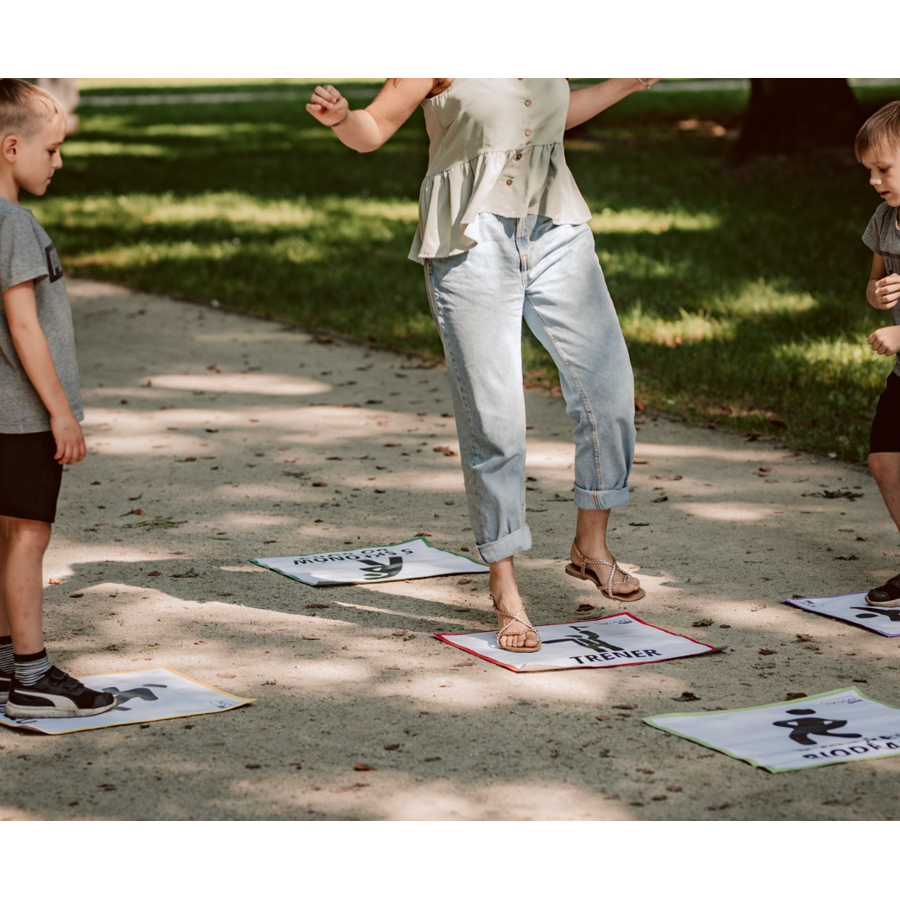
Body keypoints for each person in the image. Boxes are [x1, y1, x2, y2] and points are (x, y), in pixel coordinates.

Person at [306, 78, 656, 651]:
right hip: (472, 244)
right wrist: (344, 117)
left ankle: (590, 547)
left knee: (609, 392)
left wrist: (630, 82)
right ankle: (505, 586)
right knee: (495, 424)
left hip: (557, 231)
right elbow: (372, 130)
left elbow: (553, 115)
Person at [0, 79, 115, 716]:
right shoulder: (13, 223)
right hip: (21, 414)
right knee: (29, 538)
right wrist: (60, 412)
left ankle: (4, 655)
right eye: (52, 150)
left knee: (8, 531)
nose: (59, 162)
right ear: (11, 147)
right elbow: (24, 325)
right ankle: (32, 677)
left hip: (5, 414)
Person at [858, 100, 900, 608]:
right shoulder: (885, 219)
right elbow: (872, 283)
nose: (873, 180)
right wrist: (878, 297)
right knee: (885, 461)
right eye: (868, 170)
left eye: (883, 168)